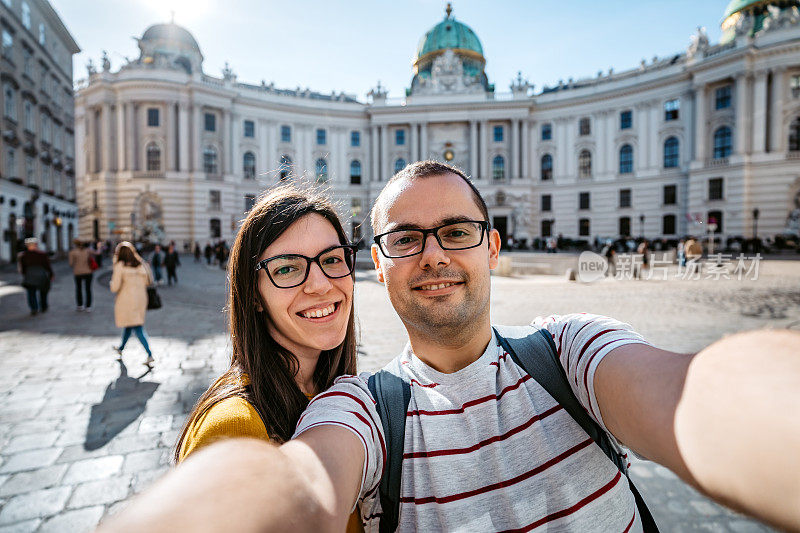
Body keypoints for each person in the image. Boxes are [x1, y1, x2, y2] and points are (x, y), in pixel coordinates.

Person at [101, 162, 800, 533]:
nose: (432, 254)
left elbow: (695, 395)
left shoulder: (572, 351)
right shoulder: (363, 407)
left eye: (457, 230)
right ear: (379, 264)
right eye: (405, 238)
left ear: (493, 247)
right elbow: (303, 484)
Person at [173, 185, 363, 532]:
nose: (320, 285)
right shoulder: (235, 428)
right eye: (288, 268)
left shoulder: (334, 391)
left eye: (332, 259)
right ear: (255, 295)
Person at [110, 241, 155, 366]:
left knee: (136, 326)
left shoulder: (120, 266)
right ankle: (121, 348)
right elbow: (148, 281)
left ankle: (149, 354)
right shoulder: (140, 265)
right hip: (141, 299)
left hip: (126, 300)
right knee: (130, 324)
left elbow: (115, 287)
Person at [17, 237, 53, 316]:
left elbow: (23, 267)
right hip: (41, 274)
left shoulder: (23, 256)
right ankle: (43, 306)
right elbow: (47, 266)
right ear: (36, 245)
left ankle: (34, 308)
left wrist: (25, 274)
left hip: (30, 275)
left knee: (31, 293)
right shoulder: (42, 254)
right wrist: (51, 274)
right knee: (43, 292)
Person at [68, 239, 94, 312]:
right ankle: (88, 306)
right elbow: (97, 253)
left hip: (78, 273)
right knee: (88, 289)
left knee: (78, 289)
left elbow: (70, 264)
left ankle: (80, 305)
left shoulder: (72, 252)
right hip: (88, 272)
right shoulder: (88, 250)